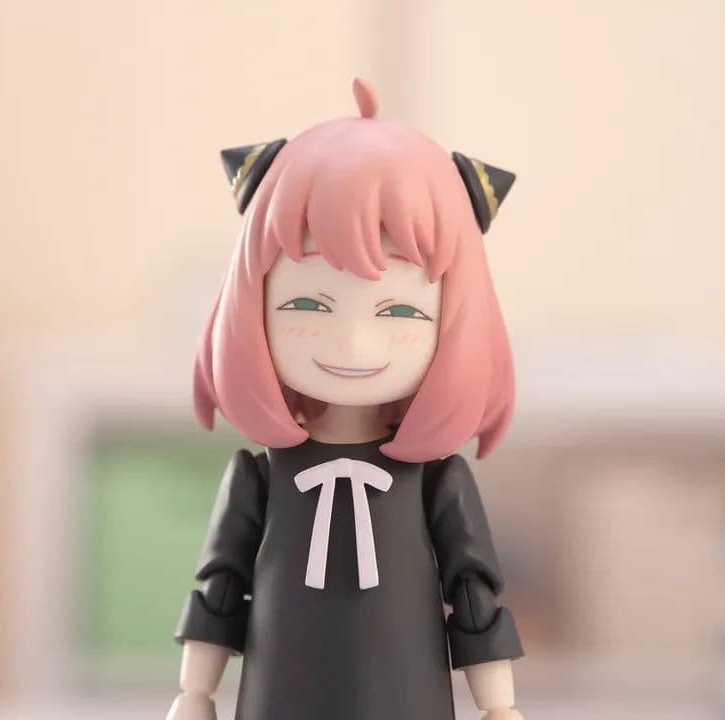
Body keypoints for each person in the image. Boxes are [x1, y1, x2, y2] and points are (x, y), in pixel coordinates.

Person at [168, 78, 524, 720]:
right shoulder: (259, 478)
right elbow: (222, 589)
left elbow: (472, 595)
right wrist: (194, 694)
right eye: (308, 303)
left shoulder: (436, 483)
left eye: (400, 311)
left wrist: (498, 708)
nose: (355, 343)